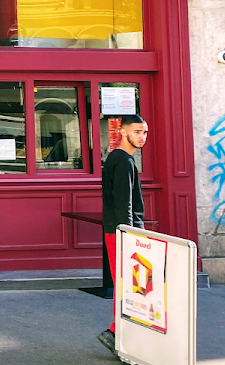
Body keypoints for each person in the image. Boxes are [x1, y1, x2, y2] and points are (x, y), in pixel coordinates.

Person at [97, 114, 147, 354]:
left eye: (145, 132)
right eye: (137, 132)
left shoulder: (117, 159)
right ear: (124, 132)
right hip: (121, 232)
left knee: (129, 285)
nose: (142, 137)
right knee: (128, 285)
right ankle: (116, 332)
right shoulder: (124, 161)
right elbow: (123, 203)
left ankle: (121, 333)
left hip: (118, 231)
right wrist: (127, 233)